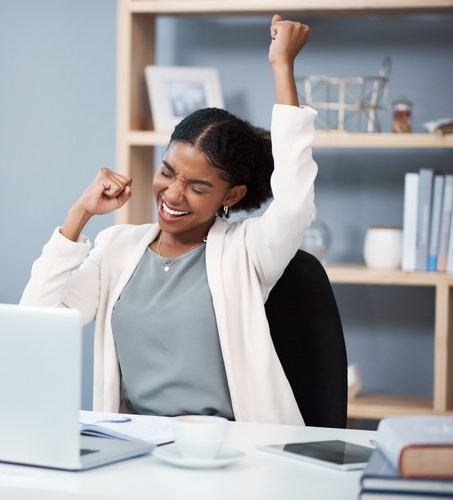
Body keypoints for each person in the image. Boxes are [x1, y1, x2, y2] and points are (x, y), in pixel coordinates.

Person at [20, 15, 315, 425]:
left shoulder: (247, 250)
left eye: (197, 187)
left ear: (231, 196)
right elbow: (36, 318)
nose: (173, 194)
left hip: (228, 451)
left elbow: (296, 201)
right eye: (168, 172)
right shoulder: (117, 248)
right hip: (135, 448)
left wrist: (282, 66)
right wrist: (80, 214)